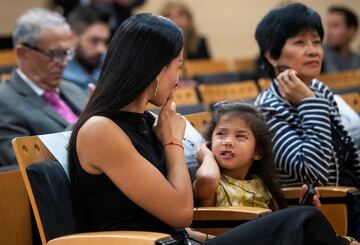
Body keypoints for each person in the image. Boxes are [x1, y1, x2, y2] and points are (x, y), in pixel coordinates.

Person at [67, 12, 355, 245]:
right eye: (177, 67)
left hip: (181, 240)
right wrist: (172, 143)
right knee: (304, 222)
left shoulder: (143, 122)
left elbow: (176, 224)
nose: (178, 80)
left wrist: (212, 237)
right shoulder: (100, 130)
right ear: (154, 68)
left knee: (300, 221)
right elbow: (181, 213)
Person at [254, 2, 360, 239]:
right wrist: (309, 103)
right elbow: (314, 174)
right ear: (271, 55)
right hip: (322, 212)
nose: (313, 50)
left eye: (316, 41)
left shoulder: (319, 89)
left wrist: (311, 99)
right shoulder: (267, 109)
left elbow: (346, 155)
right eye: (300, 42)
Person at [193, 100, 323, 210]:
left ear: (257, 152)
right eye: (221, 134)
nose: (227, 142)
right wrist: (206, 156)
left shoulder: (261, 185)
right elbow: (207, 177)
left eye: (240, 136)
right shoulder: (212, 184)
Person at [0, 8, 87, 166]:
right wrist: (87, 119)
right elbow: (24, 167)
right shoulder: (4, 101)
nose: (64, 62)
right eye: (54, 54)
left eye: (66, 52)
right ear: (22, 53)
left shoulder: (72, 88)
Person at [64, 6, 111, 93]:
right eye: (94, 41)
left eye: (105, 42)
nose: (101, 49)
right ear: (72, 37)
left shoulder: (109, 66)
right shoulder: (57, 75)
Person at [323, 5, 360, 73]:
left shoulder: (357, 59)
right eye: (328, 25)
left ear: (351, 30)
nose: (328, 32)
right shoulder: (319, 55)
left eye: (335, 26)